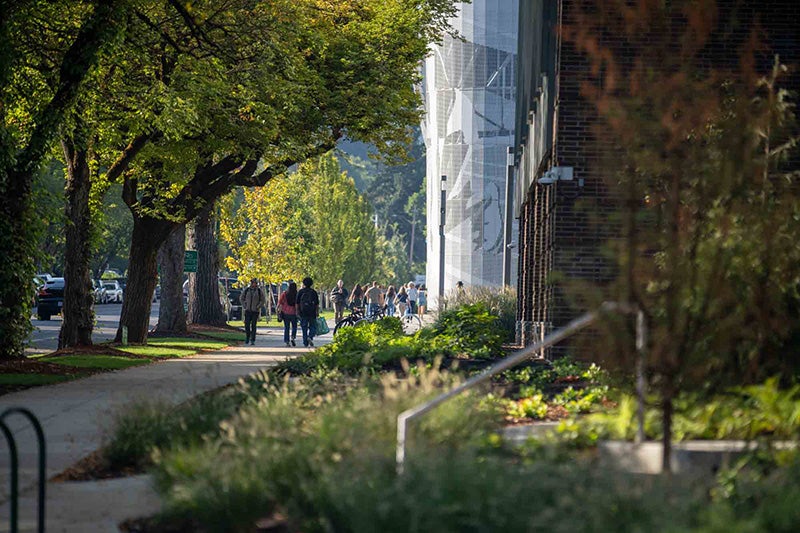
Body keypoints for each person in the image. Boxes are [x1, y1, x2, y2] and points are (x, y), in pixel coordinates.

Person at [241, 278, 266, 345]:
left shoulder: (259, 291)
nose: (254, 284)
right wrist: (245, 305)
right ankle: (247, 336)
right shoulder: (247, 290)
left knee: (253, 325)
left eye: (255, 283)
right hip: (248, 310)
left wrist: (258, 306)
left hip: (255, 311)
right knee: (247, 325)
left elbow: (262, 300)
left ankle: (253, 339)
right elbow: (242, 298)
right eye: (253, 283)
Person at [297, 276, 320, 347]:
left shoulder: (301, 292)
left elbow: (297, 302)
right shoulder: (313, 292)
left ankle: (305, 342)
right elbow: (316, 303)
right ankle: (310, 336)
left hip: (303, 312)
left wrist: (297, 311)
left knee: (304, 327)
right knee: (313, 326)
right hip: (312, 312)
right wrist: (317, 311)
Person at [278, 281, 298, 347]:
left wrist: (278, 310)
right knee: (294, 326)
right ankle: (293, 337)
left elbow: (280, 302)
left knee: (287, 327)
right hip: (294, 313)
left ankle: (287, 341)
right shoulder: (296, 294)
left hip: (285, 312)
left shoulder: (284, 294)